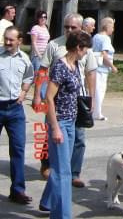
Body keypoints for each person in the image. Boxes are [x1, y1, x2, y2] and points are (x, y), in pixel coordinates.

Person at [32, 12, 96, 187]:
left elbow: (90, 73)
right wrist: (37, 94)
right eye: (66, 27)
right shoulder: (55, 45)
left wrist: (92, 98)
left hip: (78, 98)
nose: (68, 30)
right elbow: (43, 71)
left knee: (79, 138)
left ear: (81, 27)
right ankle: (48, 165)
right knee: (50, 134)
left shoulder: (85, 48)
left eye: (72, 27)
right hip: (57, 99)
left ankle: (74, 173)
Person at [39, 30, 92, 218]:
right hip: (59, 122)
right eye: (85, 49)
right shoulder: (60, 66)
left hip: (71, 122)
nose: (86, 53)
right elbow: (49, 98)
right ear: (78, 47)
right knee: (63, 173)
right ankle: (62, 215)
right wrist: (54, 128)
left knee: (63, 167)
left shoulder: (75, 65)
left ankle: (47, 202)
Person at [0, 26, 34, 204]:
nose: (7, 42)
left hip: (15, 109)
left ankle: (18, 190)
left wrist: (23, 92)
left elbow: (29, 77)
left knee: (18, 149)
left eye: (11, 39)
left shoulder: (25, 59)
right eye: (5, 38)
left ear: (19, 41)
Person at [92, 16, 118, 121]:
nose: (113, 29)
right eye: (112, 27)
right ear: (107, 26)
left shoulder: (95, 36)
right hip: (102, 69)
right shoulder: (106, 38)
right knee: (100, 91)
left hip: (94, 67)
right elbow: (104, 54)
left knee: (95, 90)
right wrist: (112, 67)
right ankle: (97, 113)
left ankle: (94, 111)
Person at [30, 10, 51, 74]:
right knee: (38, 77)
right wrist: (39, 55)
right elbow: (34, 42)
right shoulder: (35, 28)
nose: (43, 18)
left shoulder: (46, 27)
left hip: (45, 55)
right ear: (38, 18)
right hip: (38, 56)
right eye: (41, 17)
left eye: (45, 17)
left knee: (43, 76)